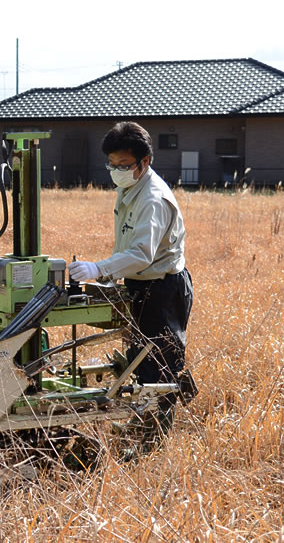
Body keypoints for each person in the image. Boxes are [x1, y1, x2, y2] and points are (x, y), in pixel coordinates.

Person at [68, 121, 195, 433]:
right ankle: (142, 427)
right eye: (112, 164)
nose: (116, 171)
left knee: (160, 367)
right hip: (140, 284)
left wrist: (99, 268)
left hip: (162, 289)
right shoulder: (130, 187)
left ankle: (153, 439)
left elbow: (142, 254)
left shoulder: (152, 198)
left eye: (123, 165)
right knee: (139, 359)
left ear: (145, 161)